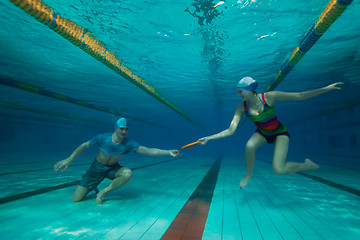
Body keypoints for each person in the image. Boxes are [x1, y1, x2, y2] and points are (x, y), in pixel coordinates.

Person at [198, 77, 343, 188]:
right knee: (249, 146)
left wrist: (327, 88)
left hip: (280, 133)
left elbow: (300, 96)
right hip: (262, 133)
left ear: (250, 89)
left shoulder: (269, 97)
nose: (239, 95)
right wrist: (209, 138)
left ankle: (306, 165)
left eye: (240, 92)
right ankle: (248, 175)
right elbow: (231, 130)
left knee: (278, 170)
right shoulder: (241, 108)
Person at [54, 118, 180, 205]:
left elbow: (148, 150)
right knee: (76, 199)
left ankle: (102, 192)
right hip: (96, 168)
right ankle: (93, 186)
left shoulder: (129, 143)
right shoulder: (102, 138)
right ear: (116, 128)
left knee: (127, 173)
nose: (124, 132)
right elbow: (84, 145)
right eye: (122, 129)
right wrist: (69, 159)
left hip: (113, 168)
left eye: (126, 129)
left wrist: (168, 151)